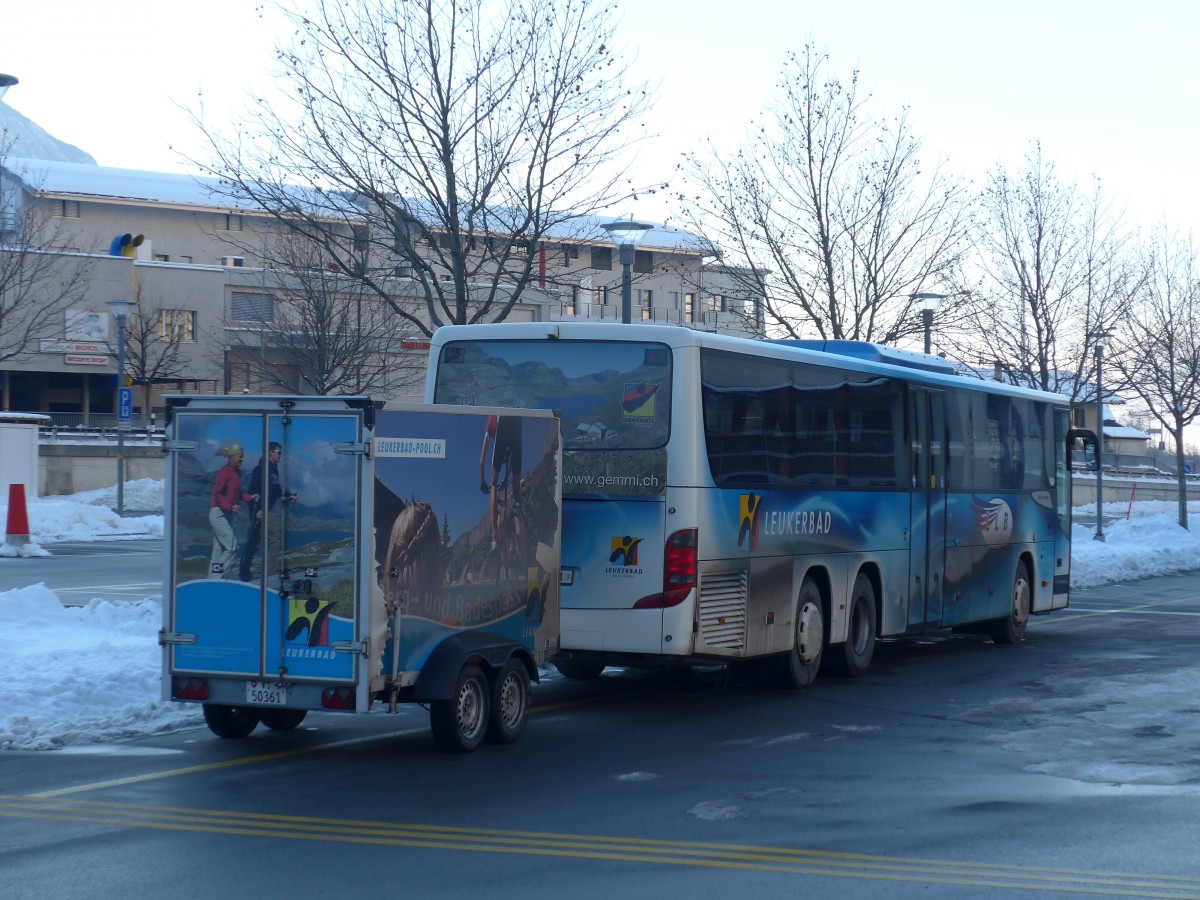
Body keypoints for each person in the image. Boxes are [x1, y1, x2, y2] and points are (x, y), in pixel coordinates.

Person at [238, 441, 293, 581]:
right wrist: (258, 509)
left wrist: (287, 495)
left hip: (263, 509)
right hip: (260, 509)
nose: (280, 455)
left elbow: (275, 488)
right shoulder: (263, 468)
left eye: (280, 452)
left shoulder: (273, 468)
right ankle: (270, 572)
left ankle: (244, 572)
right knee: (275, 537)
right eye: (278, 452)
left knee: (255, 540)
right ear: (270, 452)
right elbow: (254, 490)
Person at [479, 415, 522, 554]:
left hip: (502, 427)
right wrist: (506, 479)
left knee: (493, 485)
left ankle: (494, 538)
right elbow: (511, 465)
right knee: (516, 495)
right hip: (517, 424)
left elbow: (481, 462)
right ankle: (519, 542)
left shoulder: (492, 417)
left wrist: (483, 482)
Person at [210, 443, 253, 578]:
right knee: (232, 545)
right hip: (218, 513)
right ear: (233, 457)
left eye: (243, 457)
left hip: (227, 514)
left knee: (219, 549)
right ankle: (218, 577)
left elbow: (236, 495)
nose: (242, 459)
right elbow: (217, 494)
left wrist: (251, 497)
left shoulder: (237, 473)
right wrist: (230, 506)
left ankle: (211, 578)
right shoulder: (225, 471)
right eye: (240, 457)